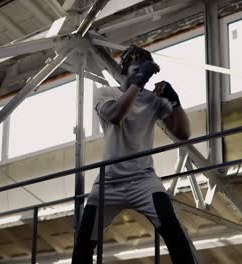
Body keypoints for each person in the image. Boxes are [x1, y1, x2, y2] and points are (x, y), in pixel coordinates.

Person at [71, 45, 200, 263]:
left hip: (143, 179)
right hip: (108, 183)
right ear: (124, 69)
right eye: (136, 70)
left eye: (145, 72)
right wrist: (141, 80)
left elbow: (183, 133)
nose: (141, 76)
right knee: (83, 244)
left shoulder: (153, 99)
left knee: (173, 231)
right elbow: (115, 115)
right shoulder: (106, 93)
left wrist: (175, 100)